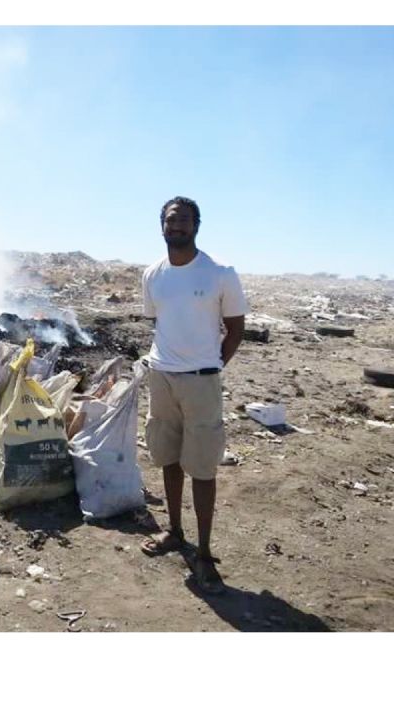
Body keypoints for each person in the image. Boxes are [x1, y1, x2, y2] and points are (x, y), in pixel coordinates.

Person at [140, 196, 247, 595]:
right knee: (168, 458)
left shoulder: (220, 272)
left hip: (202, 380)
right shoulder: (153, 274)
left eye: (184, 220)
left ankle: (203, 552)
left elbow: (236, 329)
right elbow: (159, 321)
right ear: (162, 226)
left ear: (197, 225)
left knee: (202, 467)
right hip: (161, 376)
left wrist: (211, 366)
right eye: (171, 220)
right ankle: (174, 531)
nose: (177, 226)